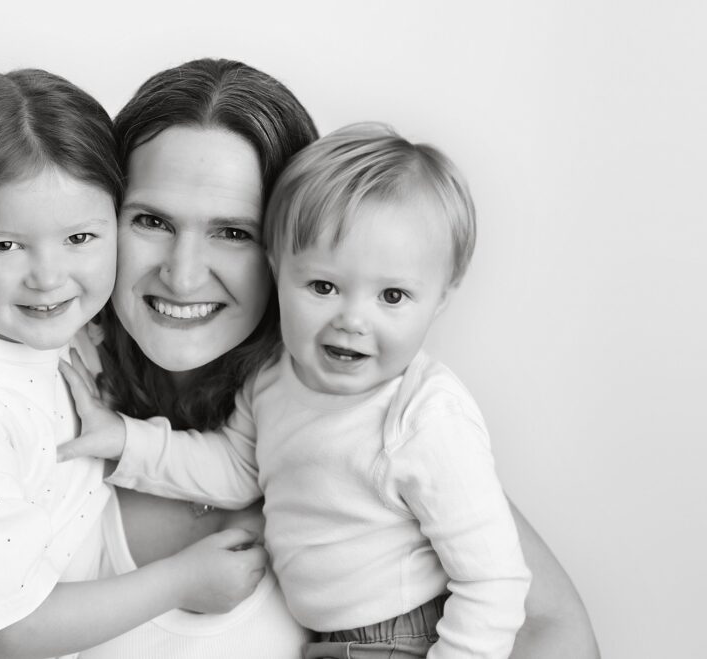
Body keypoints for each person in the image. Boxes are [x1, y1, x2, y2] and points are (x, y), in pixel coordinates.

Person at [62, 58, 600, 658]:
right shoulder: (50, 397)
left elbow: (548, 626)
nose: (184, 275)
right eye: (152, 220)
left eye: (234, 232)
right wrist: (119, 440)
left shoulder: (384, 413)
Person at [0, 68, 268, 659]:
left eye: (79, 238)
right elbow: (10, 633)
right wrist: (185, 580)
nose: (49, 277)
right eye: (5, 245)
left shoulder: (48, 335)